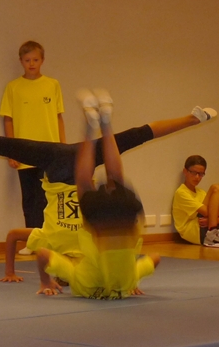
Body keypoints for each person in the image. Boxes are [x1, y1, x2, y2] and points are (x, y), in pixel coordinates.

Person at [0, 103, 217, 282]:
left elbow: (17, 239)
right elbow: (126, 252)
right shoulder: (89, 249)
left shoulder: (57, 243)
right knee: (133, 138)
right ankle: (192, 118)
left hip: (59, 164)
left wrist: (11, 272)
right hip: (72, 170)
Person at [35, 89, 160, 299]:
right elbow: (42, 254)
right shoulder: (78, 281)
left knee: (116, 177)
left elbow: (155, 258)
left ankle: (106, 123)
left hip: (125, 225)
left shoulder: (126, 282)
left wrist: (134, 280)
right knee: (83, 182)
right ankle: (90, 127)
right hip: (99, 228)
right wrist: (45, 280)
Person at [0, 41, 65, 254]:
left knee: (50, 199)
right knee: (30, 199)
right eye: (27, 60)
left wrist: (63, 148)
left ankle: (50, 241)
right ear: (21, 61)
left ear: (42, 60)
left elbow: (58, 117)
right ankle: (32, 241)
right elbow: (8, 119)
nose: (31, 64)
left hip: (50, 150)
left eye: (35, 60)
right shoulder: (13, 87)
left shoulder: (52, 84)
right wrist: (11, 151)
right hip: (25, 151)